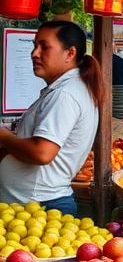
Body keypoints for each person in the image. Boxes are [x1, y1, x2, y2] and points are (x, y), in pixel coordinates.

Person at [0, 21, 103, 215]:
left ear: (70, 53)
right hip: (30, 206)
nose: (35, 53)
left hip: (38, 208)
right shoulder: (64, 90)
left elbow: (42, 153)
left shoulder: (66, 95)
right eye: (34, 46)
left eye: (44, 47)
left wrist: (4, 137)